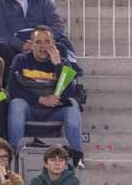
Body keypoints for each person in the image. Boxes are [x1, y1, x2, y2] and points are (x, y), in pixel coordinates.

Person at [6, 26, 83, 167]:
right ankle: (14, 156)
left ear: (53, 43)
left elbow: (68, 95)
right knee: (16, 104)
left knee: (72, 105)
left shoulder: (63, 63)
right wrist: (40, 99)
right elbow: (12, 90)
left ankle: (76, 157)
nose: (43, 46)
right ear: (31, 44)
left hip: (54, 111)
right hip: (29, 109)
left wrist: (58, 66)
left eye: (47, 42)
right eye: (38, 42)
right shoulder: (20, 60)